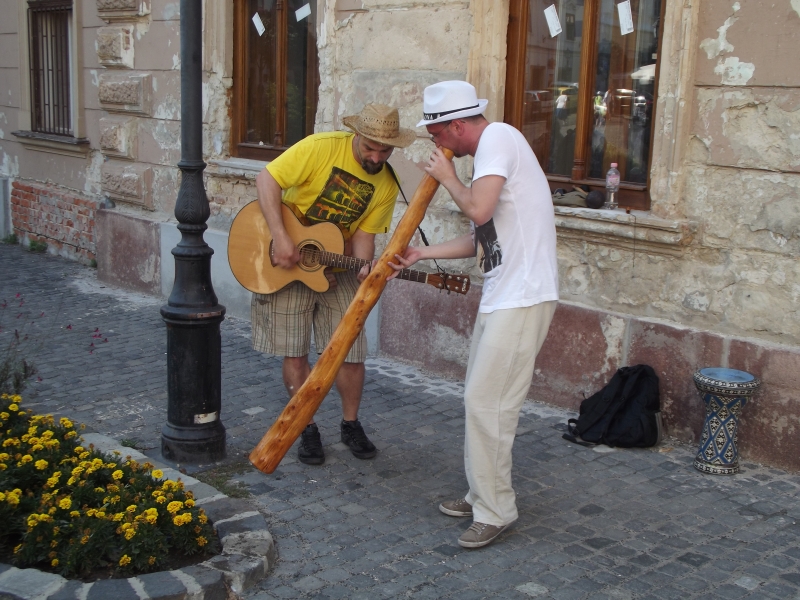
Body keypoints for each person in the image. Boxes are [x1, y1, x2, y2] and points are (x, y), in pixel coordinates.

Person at [389, 81, 559, 548]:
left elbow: (479, 209)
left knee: (489, 403)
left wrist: (448, 178)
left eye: (437, 135)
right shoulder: (489, 154)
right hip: (504, 293)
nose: (437, 145)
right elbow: (481, 238)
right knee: (479, 398)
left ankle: (495, 509)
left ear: (458, 125)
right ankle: (480, 492)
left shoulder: (498, 138)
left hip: (523, 296)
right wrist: (422, 254)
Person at [253, 103, 415, 465]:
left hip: (337, 264)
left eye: (385, 151)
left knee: (350, 350)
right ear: (357, 135)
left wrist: (364, 270)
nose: (376, 157)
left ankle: (350, 424)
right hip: (288, 261)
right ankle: (305, 426)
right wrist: (281, 237)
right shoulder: (320, 147)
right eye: (370, 147)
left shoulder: (386, 183)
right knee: (295, 351)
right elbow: (267, 179)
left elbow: (364, 235)